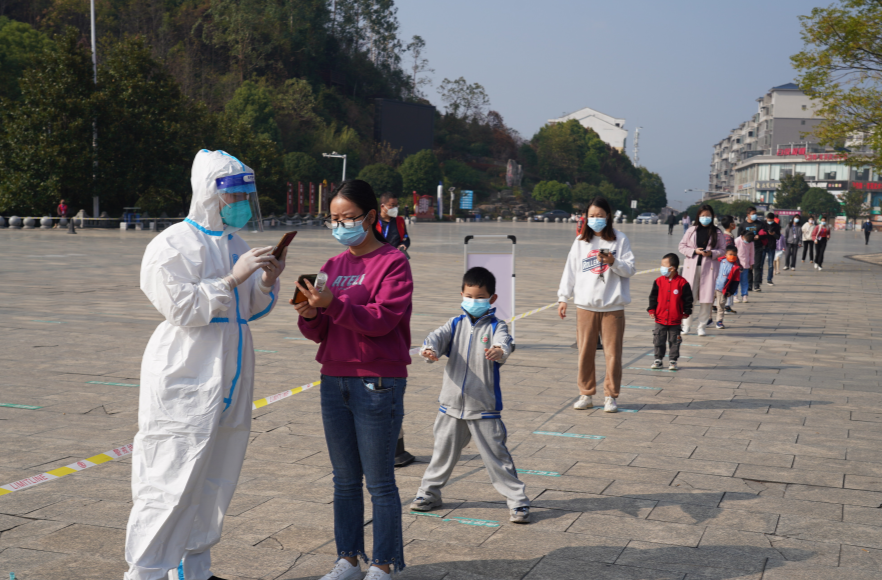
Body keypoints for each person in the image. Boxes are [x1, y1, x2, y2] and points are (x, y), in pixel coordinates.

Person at [124, 150, 286, 580]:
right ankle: (148, 572)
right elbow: (179, 306)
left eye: (245, 196)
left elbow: (246, 308)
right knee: (170, 478)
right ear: (209, 194)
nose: (240, 205)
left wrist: (266, 279)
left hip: (231, 371)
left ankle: (193, 569)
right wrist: (231, 279)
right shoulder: (172, 244)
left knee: (217, 475)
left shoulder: (233, 243)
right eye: (234, 195)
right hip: (187, 373)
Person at [294, 179, 412, 580]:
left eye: (349, 217)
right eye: (334, 218)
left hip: (377, 380)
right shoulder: (332, 266)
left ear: (371, 217)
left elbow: (383, 320)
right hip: (334, 377)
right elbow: (320, 330)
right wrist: (310, 314)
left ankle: (383, 562)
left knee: (379, 480)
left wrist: (334, 304)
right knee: (344, 480)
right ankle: (347, 557)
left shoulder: (393, 262)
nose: (340, 224)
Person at [411, 267, 530, 524]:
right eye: (469, 296)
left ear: (492, 298)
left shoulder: (497, 326)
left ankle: (518, 502)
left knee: (497, 457)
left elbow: (504, 341)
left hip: (483, 407)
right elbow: (436, 338)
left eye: (479, 297)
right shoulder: (454, 324)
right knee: (441, 453)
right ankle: (428, 493)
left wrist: (500, 350)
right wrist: (429, 349)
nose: (473, 301)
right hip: (450, 405)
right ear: (462, 294)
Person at [558, 196, 636, 413]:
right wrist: (563, 297)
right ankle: (586, 393)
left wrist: (613, 262)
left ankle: (610, 395)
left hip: (612, 307)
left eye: (599, 216)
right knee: (585, 352)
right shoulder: (581, 242)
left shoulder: (620, 240)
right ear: (585, 218)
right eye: (591, 216)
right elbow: (570, 271)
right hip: (585, 305)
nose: (595, 219)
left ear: (608, 216)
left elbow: (630, 269)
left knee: (613, 354)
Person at [679, 204, 726, 336]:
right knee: (689, 298)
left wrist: (711, 253)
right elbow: (681, 246)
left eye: (708, 216)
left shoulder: (717, 232)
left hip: (709, 268)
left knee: (706, 299)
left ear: (712, 216)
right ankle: (686, 325)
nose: (705, 218)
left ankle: (702, 326)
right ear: (698, 216)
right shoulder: (691, 230)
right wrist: (694, 251)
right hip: (691, 268)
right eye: (703, 215)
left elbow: (723, 250)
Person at [648, 253, 692, 371]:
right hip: (660, 317)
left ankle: (673, 360)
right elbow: (653, 297)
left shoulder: (683, 283)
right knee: (659, 339)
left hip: (675, 319)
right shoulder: (658, 281)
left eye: (663, 265)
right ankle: (658, 359)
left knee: (674, 341)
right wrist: (652, 310)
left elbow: (688, 299)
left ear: (672, 268)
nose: (661, 268)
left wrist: (686, 311)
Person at [714, 246, 741, 330]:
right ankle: (708, 319)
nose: (732, 256)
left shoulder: (735, 267)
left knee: (721, 306)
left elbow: (736, 281)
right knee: (708, 304)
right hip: (712, 286)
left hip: (723, 290)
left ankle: (719, 321)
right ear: (725, 254)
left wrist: (731, 291)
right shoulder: (719, 261)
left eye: (734, 255)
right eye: (730, 254)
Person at [737, 208, 762, 291]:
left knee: (757, 266)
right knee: (748, 267)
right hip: (746, 249)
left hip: (758, 247)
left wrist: (760, 236)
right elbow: (739, 237)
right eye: (753, 213)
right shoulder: (742, 225)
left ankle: (757, 285)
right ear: (748, 215)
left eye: (755, 213)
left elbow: (765, 233)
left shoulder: (760, 224)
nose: (755, 215)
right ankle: (749, 284)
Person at [734, 230, 755, 303]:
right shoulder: (737, 241)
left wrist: (751, 264)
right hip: (737, 265)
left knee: (744, 281)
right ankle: (735, 296)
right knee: (736, 281)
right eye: (747, 239)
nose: (748, 241)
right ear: (743, 236)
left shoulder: (751, 243)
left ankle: (744, 295)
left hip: (746, 265)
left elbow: (752, 254)